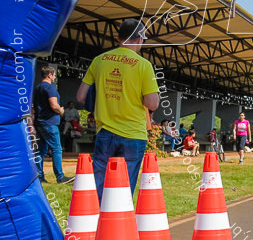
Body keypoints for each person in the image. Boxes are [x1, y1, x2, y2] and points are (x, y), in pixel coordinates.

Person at [76, 18, 160, 200]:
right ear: (139, 39)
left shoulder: (99, 60)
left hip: (104, 132)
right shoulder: (144, 65)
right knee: (123, 189)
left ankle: (95, 221)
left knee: (99, 185)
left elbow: (81, 96)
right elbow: (152, 104)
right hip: (133, 134)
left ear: (118, 38)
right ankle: (118, 224)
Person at [33, 64, 72, 184]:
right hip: (49, 122)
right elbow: (54, 105)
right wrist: (61, 110)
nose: (55, 77)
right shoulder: (50, 88)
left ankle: (39, 177)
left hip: (39, 122)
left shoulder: (37, 88)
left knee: (40, 150)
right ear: (50, 75)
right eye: (54, 75)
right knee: (56, 149)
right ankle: (60, 177)